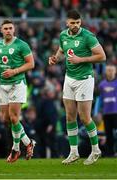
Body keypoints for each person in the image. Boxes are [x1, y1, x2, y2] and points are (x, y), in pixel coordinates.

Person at [49, 10, 106, 165]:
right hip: (69, 78)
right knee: (69, 116)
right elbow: (62, 51)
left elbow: (102, 56)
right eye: (72, 23)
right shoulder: (63, 35)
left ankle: (96, 150)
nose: (75, 26)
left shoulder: (87, 36)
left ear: (80, 22)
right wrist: (55, 58)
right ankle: (74, 152)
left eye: (78, 23)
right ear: (67, 22)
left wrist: (81, 59)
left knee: (85, 117)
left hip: (85, 79)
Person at [0, 19, 36, 163]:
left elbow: (31, 64)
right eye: (5, 28)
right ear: (1, 30)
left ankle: (16, 149)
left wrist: (14, 71)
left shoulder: (21, 45)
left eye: (10, 28)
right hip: (3, 85)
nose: (8, 30)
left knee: (14, 117)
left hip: (17, 83)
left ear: (14, 30)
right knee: (6, 119)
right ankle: (28, 143)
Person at [94, 64, 117, 156]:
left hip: (116, 112)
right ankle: (110, 153)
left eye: (112, 70)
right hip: (106, 113)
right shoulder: (102, 85)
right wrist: (96, 112)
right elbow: (99, 99)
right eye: (108, 70)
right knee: (108, 134)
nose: (110, 72)